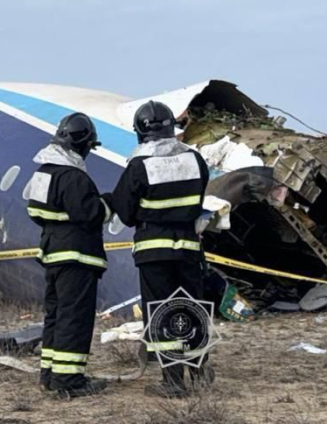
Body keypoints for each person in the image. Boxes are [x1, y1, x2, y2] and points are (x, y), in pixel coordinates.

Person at [107, 100, 213, 398]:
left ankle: (174, 381)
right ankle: (200, 368)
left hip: (154, 252)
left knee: (162, 313)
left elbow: (125, 212)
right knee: (192, 308)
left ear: (140, 131)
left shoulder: (139, 165)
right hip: (189, 249)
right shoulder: (195, 160)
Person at [27, 113, 111, 398]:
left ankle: (50, 375)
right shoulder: (74, 177)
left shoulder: (43, 173)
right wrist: (109, 204)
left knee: (56, 315)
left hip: (52, 254)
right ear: (84, 144)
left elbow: (35, 212)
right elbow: (90, 214)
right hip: (77, 257)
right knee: (75, 317)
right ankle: (68, 381)